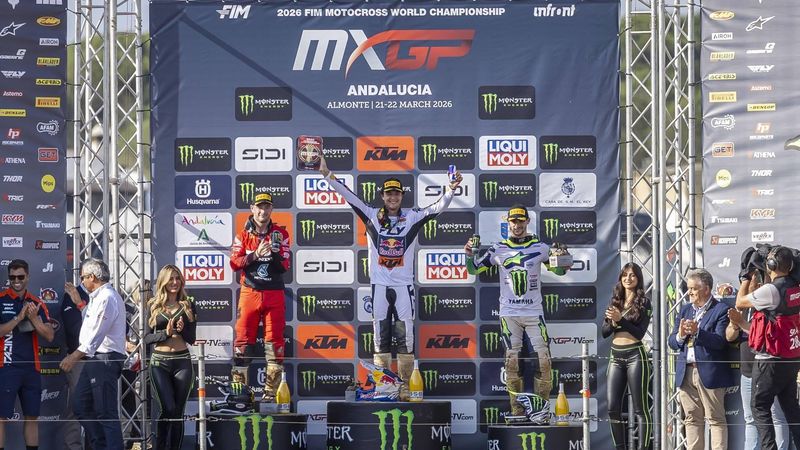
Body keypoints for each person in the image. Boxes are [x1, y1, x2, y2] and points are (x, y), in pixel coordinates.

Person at [318, 155, 462, 399]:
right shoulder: (371, 215)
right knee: (380, 338)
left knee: (405, 338)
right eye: (388, 194)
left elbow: (438, 207)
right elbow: (348, 195)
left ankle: (405, 388)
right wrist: (326, 174)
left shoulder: (413, 217)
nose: (392, 197)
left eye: (397, 194)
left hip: (404, 286)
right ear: (382, 196)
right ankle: (383, 388)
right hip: (380, 287)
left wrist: (450, 189)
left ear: (401, 196)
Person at [464, 205, 568, 415]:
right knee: (512, 365)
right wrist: (468, 254)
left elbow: (558, 270)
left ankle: (542, 411)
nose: (517, 225)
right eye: (513, 221)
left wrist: (564, 259)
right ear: (508, 223)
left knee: (544, 363)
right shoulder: (498, 248)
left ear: (527, 222)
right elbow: (474, 269)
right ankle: (517, 412)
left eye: (521, 221)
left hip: (534, 313)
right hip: (509, 315)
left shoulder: (540, 247)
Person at [736, 246, 800, 449]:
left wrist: (746, 277)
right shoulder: (795, 287)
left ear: (771, 265)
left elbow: (740, 302)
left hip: (769, 361)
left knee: (759, 406)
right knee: (791, 409)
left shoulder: (771, 290)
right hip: (790, 358)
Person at [60, 258, 127, 450]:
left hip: (105, 358)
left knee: (106, 412)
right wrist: (79, 304)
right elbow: (89, 322)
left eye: (83, 278)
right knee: (81, 406)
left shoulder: (107, 297)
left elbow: (97, 333)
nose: (82, 282)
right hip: (93, 359)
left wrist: (73, 357)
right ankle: (102, 445)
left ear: (92, 277)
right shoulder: (97, 297)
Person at [230, 192, 290, 401]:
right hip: (250, 292)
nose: (263, 211)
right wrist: (255, 254)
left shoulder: (281, 234)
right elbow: (234, 263)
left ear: (271, 209)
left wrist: (273, 253)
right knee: (243, 343)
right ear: (252, 209)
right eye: (260, 207)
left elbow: (284, 266)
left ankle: (270, 395)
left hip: (274, 293)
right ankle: (240, 396)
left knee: (275, 344)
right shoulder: (242, 236)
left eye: (267, 207)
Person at [668, 269, 735, 450]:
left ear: (706, 289)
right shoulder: (685, 310)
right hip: (686, 371)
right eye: (688, 288)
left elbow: (721, 342)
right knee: (691, 419)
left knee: (715, 419)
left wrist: (698, 332)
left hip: (709, 373)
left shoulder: (721, 310)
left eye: (693, 289)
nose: (689, 292)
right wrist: (681, 335)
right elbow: (672, 342)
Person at [0, 259, 55, 450]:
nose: (16, 280)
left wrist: (33, 319)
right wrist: (18, 318)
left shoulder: (37, 303)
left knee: (32, 416)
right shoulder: (1, 299)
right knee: (1, 417)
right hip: (6, 366)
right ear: (9, 278)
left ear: (28, 277)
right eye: (13, 277)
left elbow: (49, 335)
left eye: (20, 277)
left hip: (32, 368)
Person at [143, 266, 196, 450]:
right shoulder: (153, 304)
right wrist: (165, 334)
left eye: (177, 278)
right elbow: (146, 338)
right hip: (160, 363)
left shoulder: (188, 304)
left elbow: (192, 338)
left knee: (178, 412)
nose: (174, 282)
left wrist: (183, 330)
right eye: (171, 279)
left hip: (183, 362)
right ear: (163, 282)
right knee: (167, 408)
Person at [602, 262, 652, 450]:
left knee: (640, 409)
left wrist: (620, 320)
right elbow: (604, 332)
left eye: (632, 275)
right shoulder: (615, 302)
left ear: (638, 279)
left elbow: (639, 333)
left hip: (635, 355)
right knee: (612, 408)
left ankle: (643, 447)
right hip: (616, 356)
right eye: (625, 275)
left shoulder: (644, 302)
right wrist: (614, 323)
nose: (628, 278)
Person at [727, 306, 791, 450]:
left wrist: (741, 322)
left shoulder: (773, 304)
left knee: (776, 417)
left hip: (768, 371)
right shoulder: (743, 309)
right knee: (750, 419)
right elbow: (729, 336)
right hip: (747, 372)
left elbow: (762, 334)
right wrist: (734, 323)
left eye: (751, 282)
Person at [62, 280, 91, 450]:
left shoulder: (105, 294)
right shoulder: (71, 295)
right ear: (86, 276)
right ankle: (73, 447)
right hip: (78, 359)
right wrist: (81, 305)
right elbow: (76, 331)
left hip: (100, 359)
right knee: (75, 406)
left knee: (98, 408)